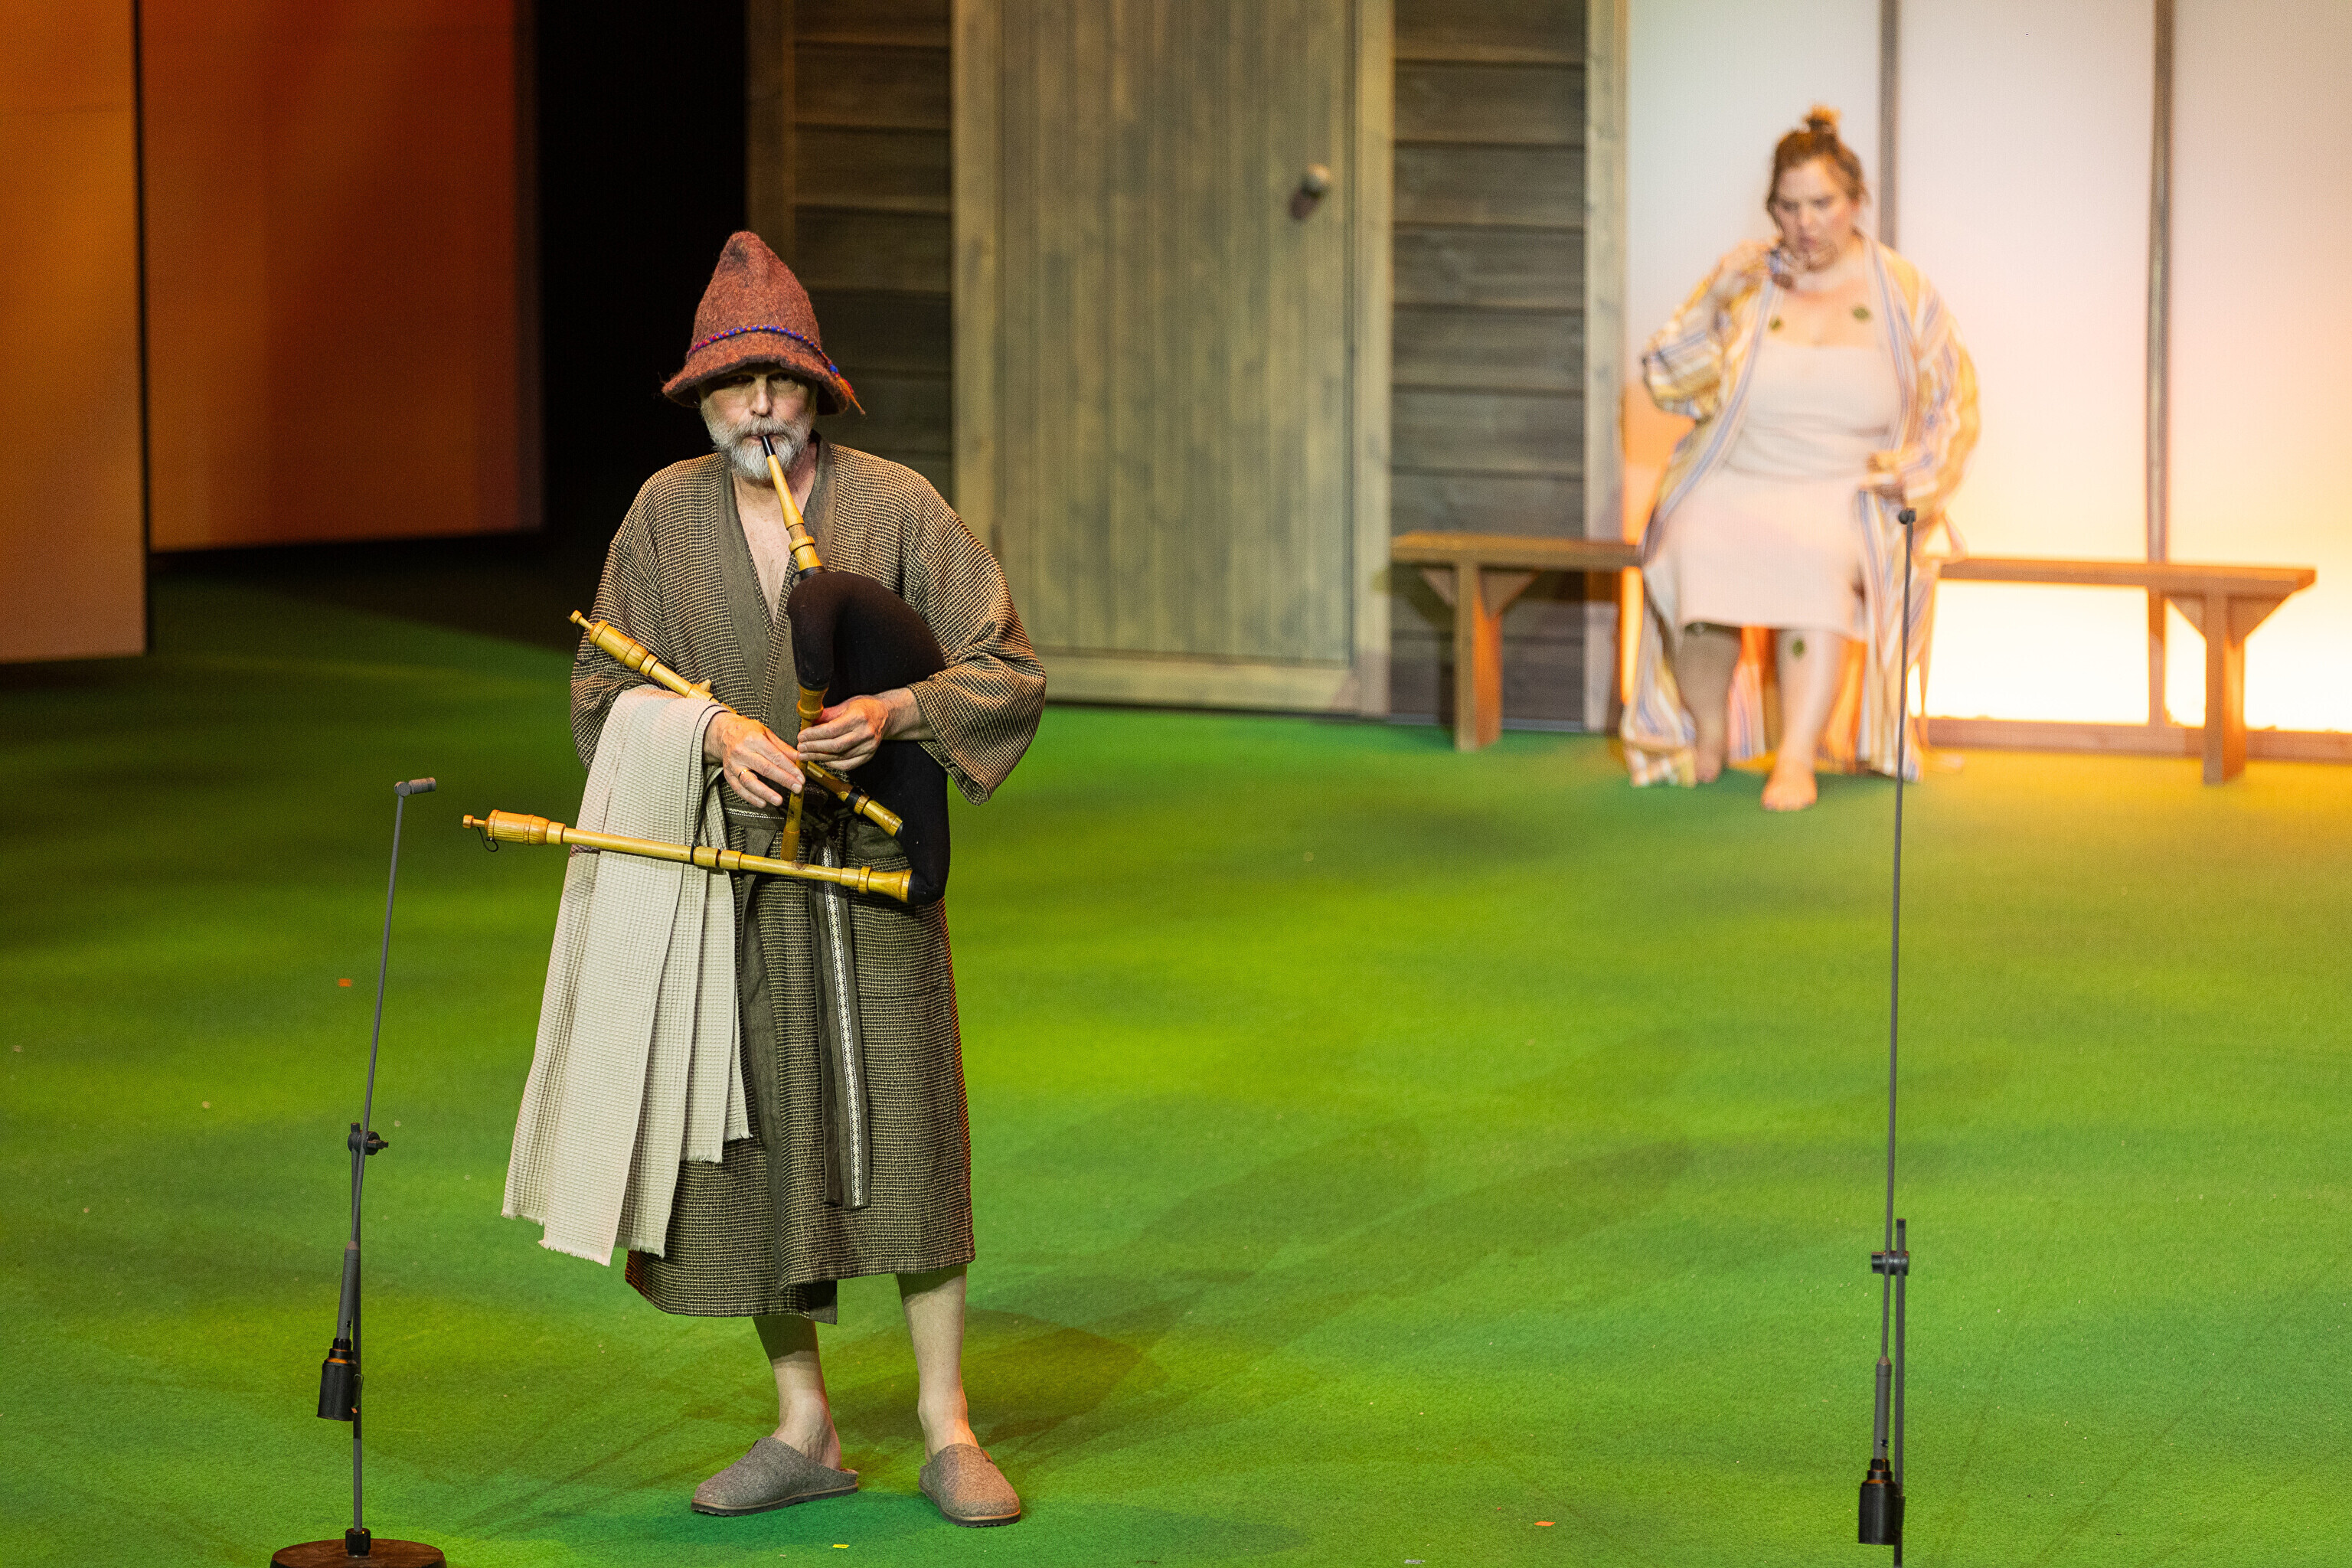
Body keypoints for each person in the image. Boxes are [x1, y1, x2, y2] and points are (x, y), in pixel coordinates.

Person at [571, 231, 1045, 1524]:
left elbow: (1005, 667)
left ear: (819, 390)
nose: (762, 407)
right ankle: (804, 1422)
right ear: (702, 398)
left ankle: (948, 1423)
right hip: (729, 874)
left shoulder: (895, 506)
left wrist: (893, 711)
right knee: (754, 1145)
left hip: (874, 877)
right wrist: (708, 734)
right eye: (736, 385)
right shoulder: (662, 518)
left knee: (912, 1133)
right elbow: (602, 686)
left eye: (782, 381)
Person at [1622, 106, 1978, 808]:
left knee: (1816, 557)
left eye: (1822, 204)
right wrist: (1714, 297)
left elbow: (1953, 401)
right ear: (1772, 210)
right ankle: (1710, 732)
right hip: (1737, 472)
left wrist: (1916, 478)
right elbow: (1667, 379)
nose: (1806, 222)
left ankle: (1795, 756)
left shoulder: (1903, 290)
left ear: (1855, 202)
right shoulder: (1748, 282)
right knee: (1690, 542)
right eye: (1789, 207)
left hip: (1846, 485)